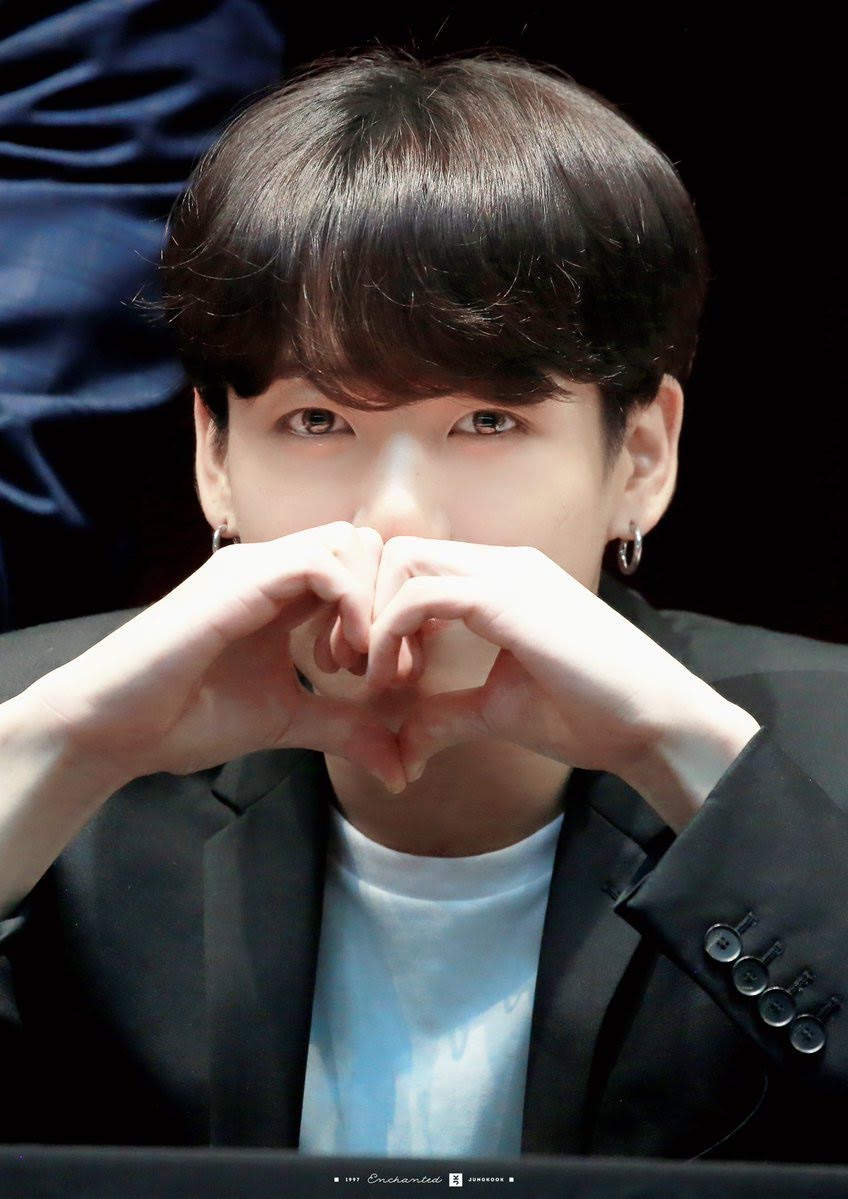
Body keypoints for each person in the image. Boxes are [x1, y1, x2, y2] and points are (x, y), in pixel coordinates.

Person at [1, 47, 848, 1162]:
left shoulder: (821, 757)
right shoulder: (40, 725)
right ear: (214, 456)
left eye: (487, 422)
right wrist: (59, 756)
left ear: (640, 456)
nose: (397, 515)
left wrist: (688, 762)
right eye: (317, 420)